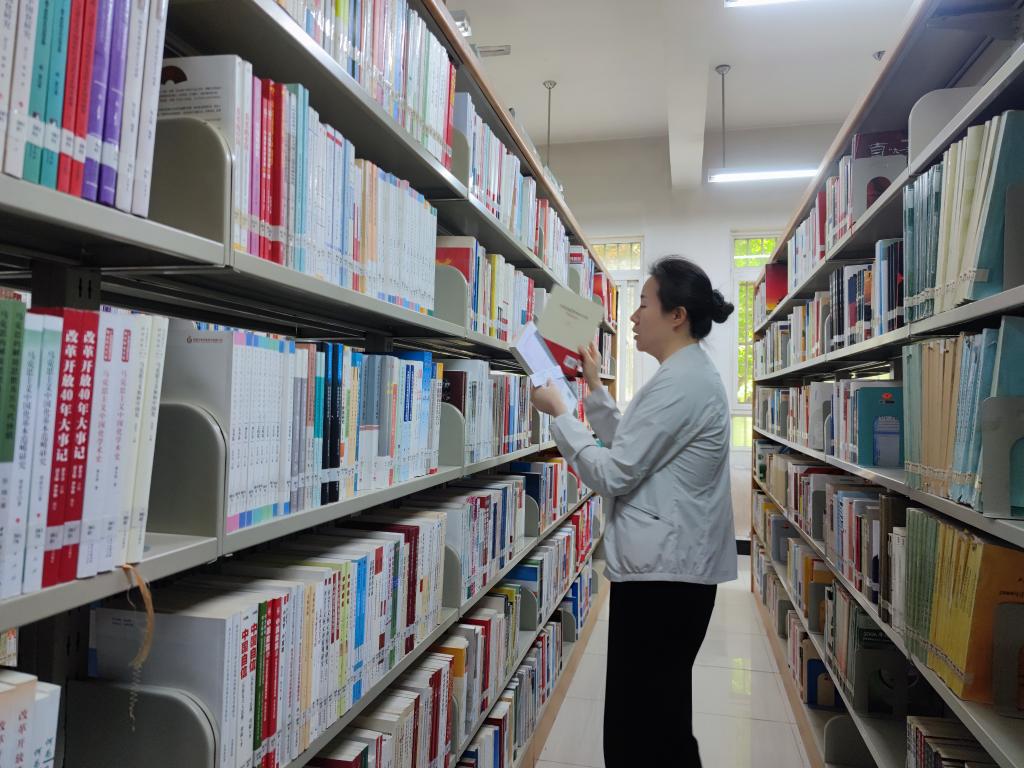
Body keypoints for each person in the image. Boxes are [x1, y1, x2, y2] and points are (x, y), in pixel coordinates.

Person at [531, 255, 737, 768]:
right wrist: (595, 390)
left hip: (664, 581)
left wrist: (561, 413)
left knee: (642, 734)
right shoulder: (683, 376)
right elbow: (637, 446)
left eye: (643, 303)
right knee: (659, 724)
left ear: (677, 316)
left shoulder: (682, 383)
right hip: (667, 575)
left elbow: (615, 473)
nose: (632, 315)